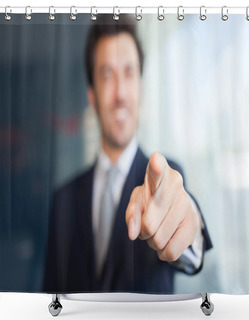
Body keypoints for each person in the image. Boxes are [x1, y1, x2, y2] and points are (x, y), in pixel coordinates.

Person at [43, 15, 212, 294]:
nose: (120, 92)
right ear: (92, 96)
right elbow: (48, 297)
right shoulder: (63, 201)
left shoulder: (165, 181)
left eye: (129, 73)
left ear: (141, 88)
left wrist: (188, 222)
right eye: (107, 75)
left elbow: (188, 242)